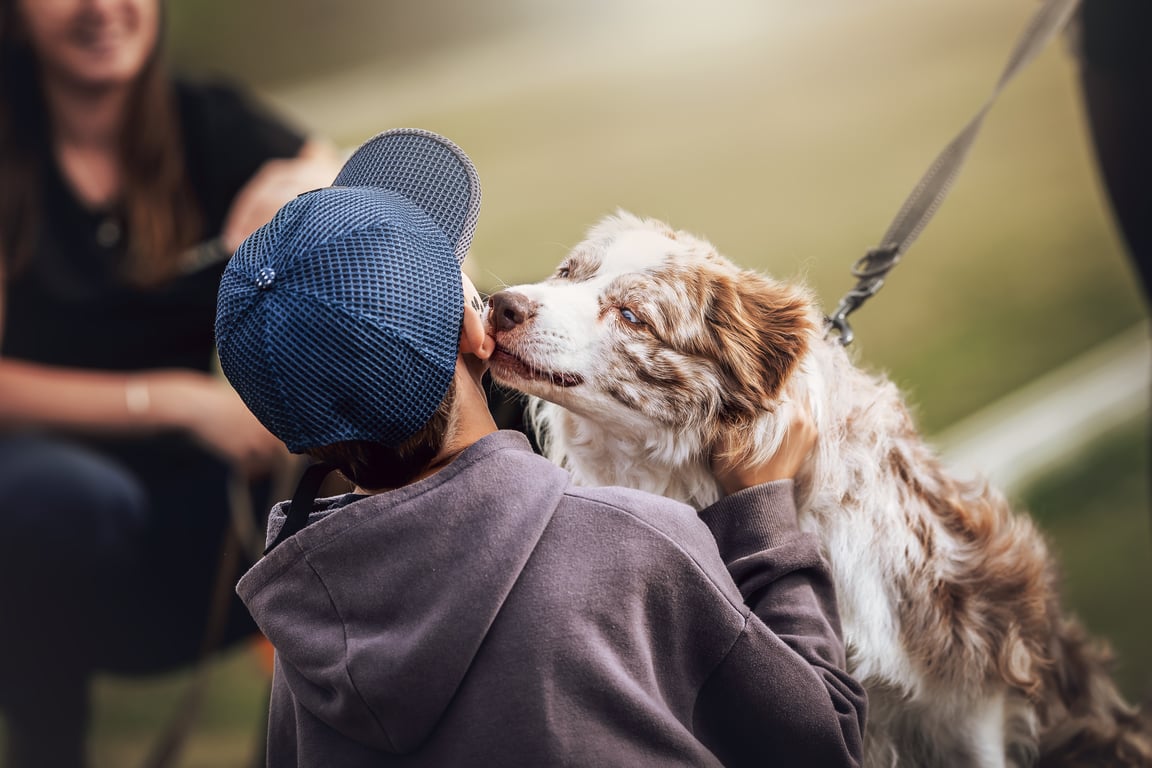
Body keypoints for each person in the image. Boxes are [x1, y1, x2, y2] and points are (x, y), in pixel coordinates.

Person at [215, 127, 867, 767]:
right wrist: (763, 513)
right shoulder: (634, 544)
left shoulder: (301, 636)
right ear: (479, 328)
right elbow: (824, 742)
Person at [0, 0, 340, 765]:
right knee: (67, 497)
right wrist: (177, 400)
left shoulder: (203, 120)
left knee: (341, 478)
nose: (100, 9)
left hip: (187, 503)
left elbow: (339, 172)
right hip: (35, 507)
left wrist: (307, 185)